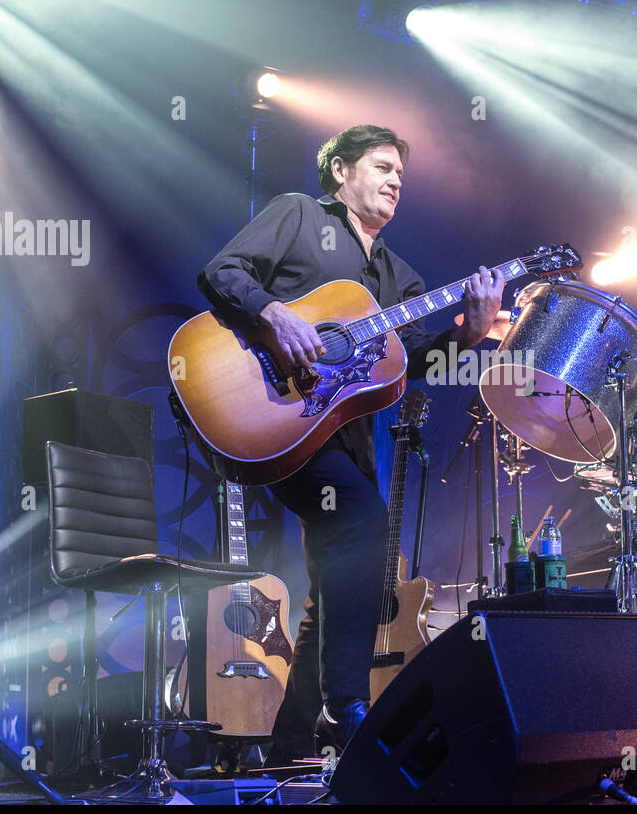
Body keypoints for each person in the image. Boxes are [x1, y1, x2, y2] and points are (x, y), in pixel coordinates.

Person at [197, 124, 502, 763]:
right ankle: (351, 706)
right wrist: (273, 313)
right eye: (383, 166)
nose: (396, 181)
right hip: (270, 412)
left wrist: (469, 336)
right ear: (340, 169)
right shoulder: (299, 216)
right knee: (363, 525)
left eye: (402, 174)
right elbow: (221, 271)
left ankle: (287, 742)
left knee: (340, 578)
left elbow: (413, 361)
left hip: (340, 441)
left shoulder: (403, 279)